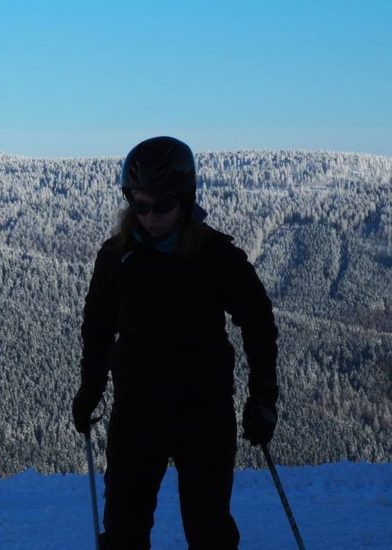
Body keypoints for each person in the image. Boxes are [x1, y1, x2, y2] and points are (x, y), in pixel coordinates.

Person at [71, 136, 279, 549]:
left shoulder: (215, 255)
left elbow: (258, 322)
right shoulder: (115, 257)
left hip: (202, 412)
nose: (149, 216)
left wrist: (264, 396)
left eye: (162, 205)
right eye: (139, 204)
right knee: (124, 533)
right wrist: (89, 389)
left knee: (208, 532)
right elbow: (97, 328)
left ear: (186, 199)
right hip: (137, 410)